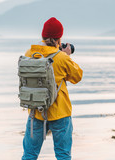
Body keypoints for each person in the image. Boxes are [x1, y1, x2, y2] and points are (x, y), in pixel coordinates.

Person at [21, 17, 83, 160]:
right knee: (63, 155)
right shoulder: (61, 58)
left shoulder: (29, 54)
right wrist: (66, 56)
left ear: (43, 36)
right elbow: (77, 77)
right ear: (59, 38)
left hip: (36, 111)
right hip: (60, 112)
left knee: (29, 155)